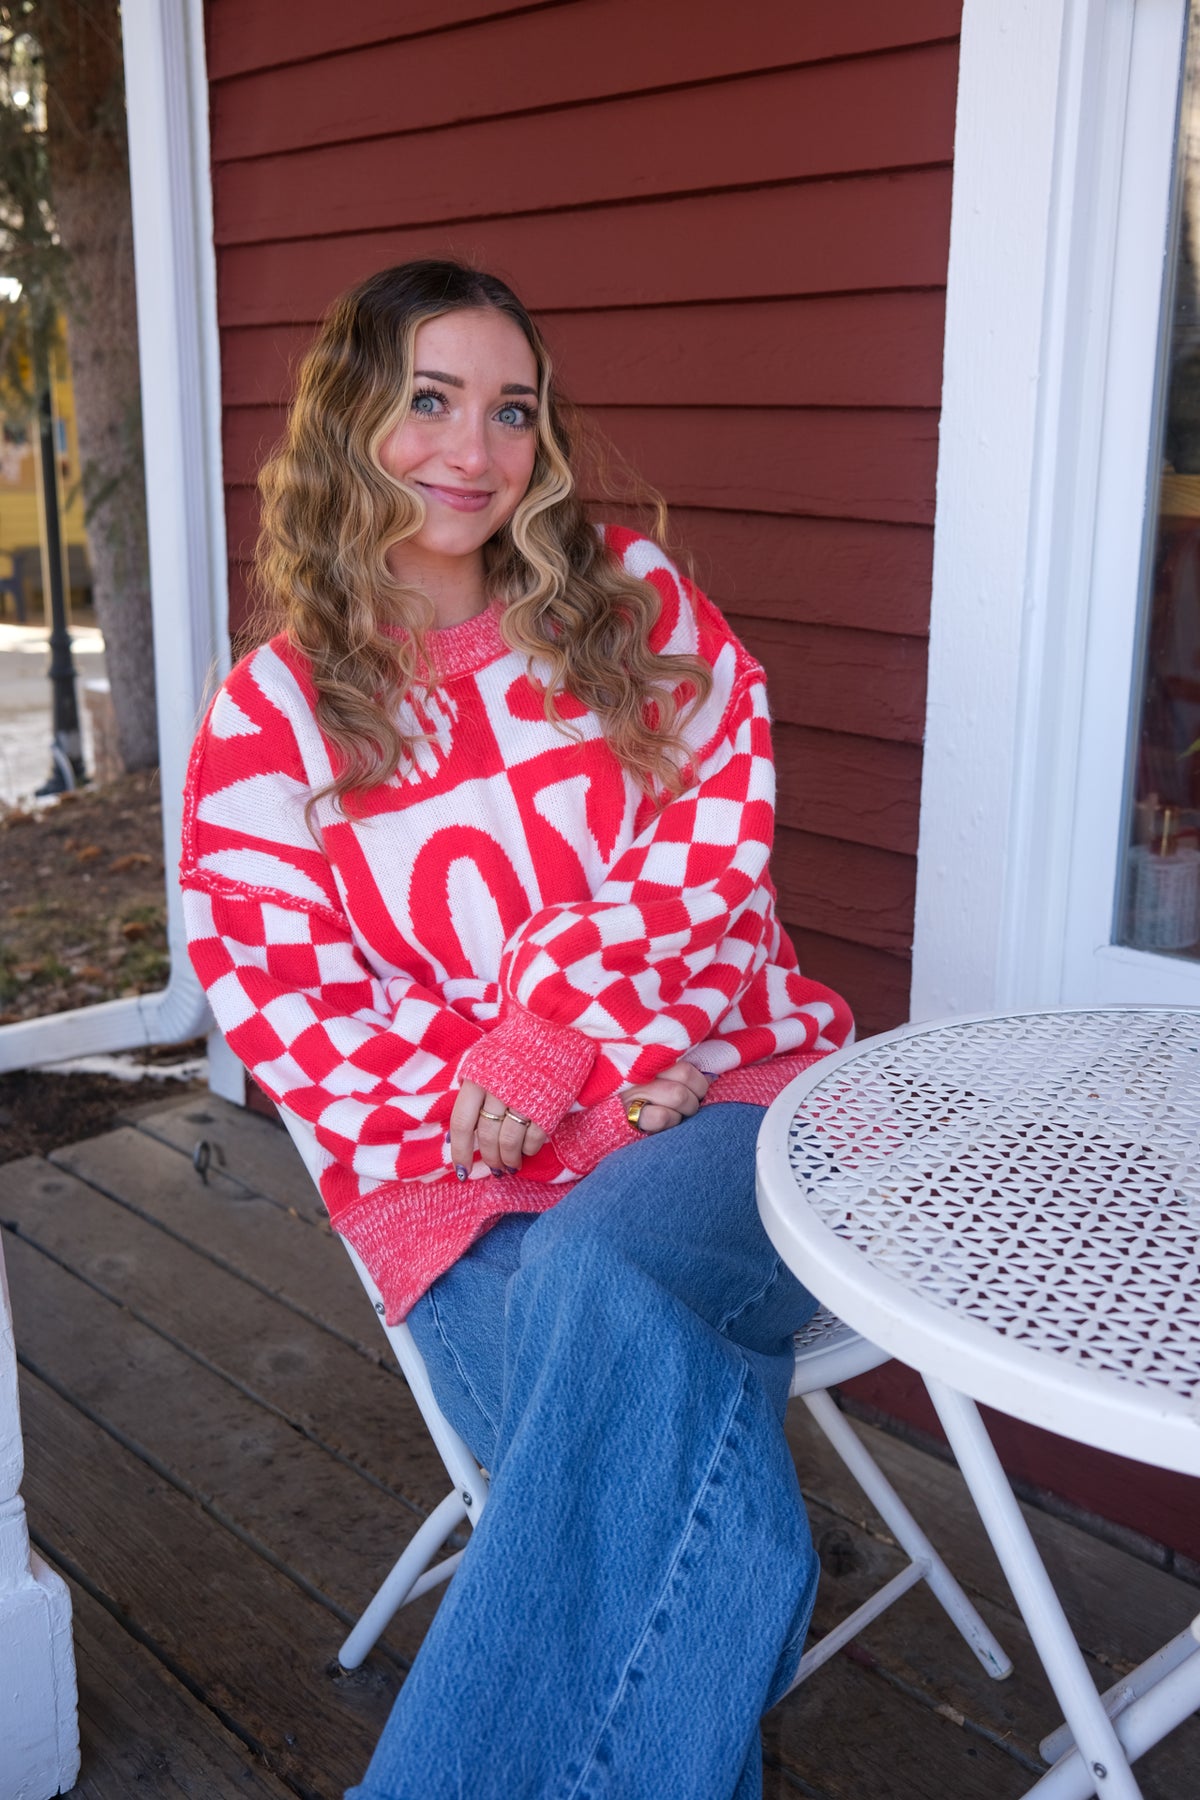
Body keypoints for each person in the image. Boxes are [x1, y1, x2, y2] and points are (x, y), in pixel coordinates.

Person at [181, 259, 855, 1800]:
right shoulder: (270, 721)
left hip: (732, 1099)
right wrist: (586, 1097)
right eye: (427, 399)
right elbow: (303, 1023)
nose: (469, 452)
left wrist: (564, 1038)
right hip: (456, 1182)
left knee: (601, 1296)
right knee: (674, 1495)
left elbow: (713, 858)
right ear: (351, 419)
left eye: (510, 409)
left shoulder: (629, 605)